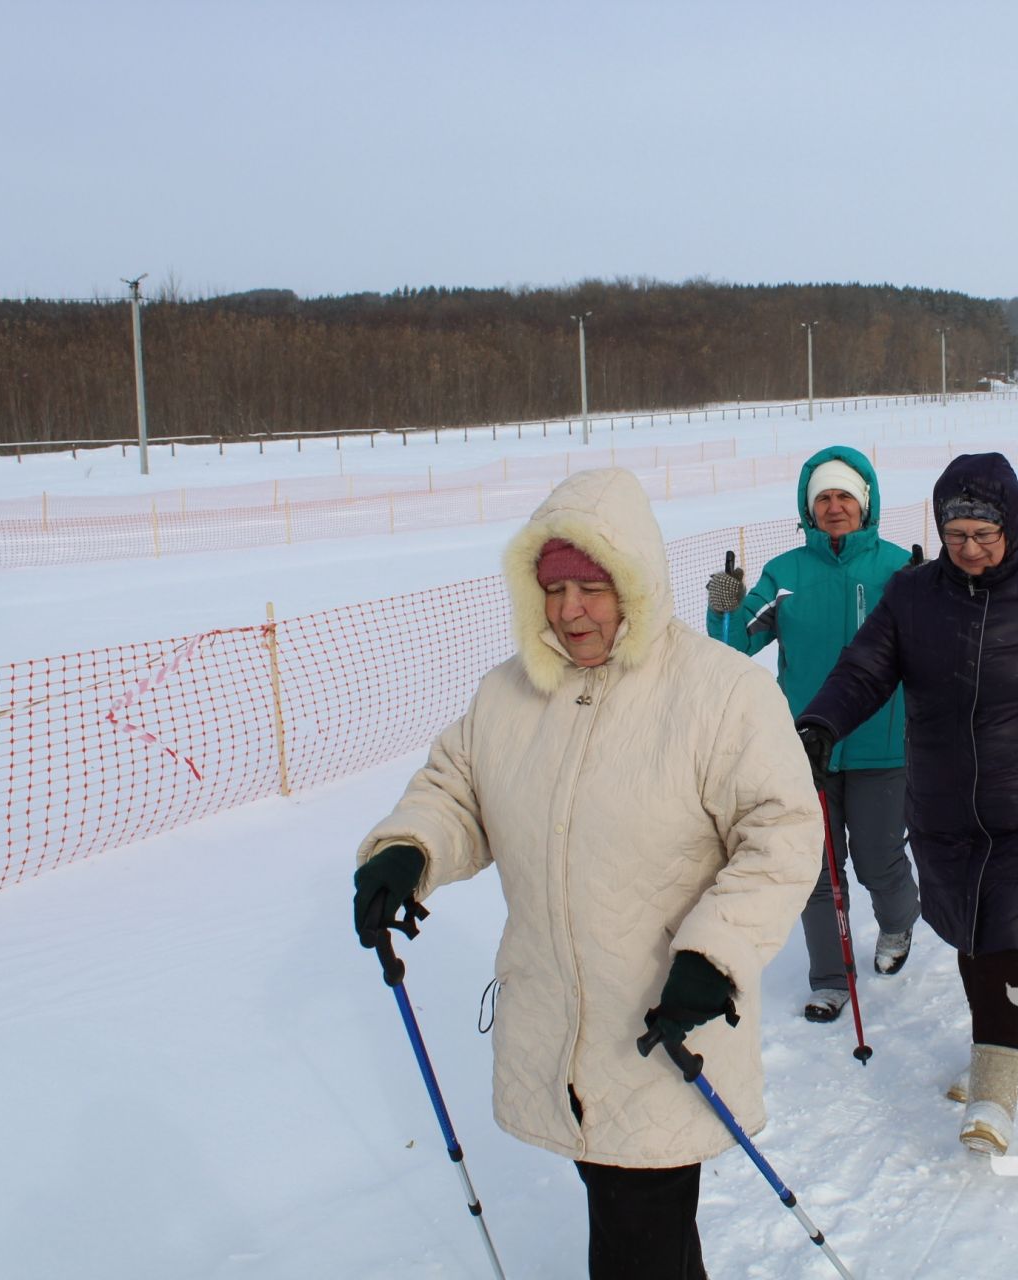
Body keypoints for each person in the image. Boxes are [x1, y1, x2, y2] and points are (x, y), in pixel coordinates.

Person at [350, 467, 821, 1279]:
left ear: (636, 582)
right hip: (560, 1031)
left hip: (664, 1027)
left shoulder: (719, 693)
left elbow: (781, 832)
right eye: (554, 588)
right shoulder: (510, 694)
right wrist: (409, 849)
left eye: (592, 588)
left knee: (637, 1238)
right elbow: (458, 790)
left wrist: (716, 953)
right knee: (642, 1229)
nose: (570, 611)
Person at [797, 453, 1018, 1157]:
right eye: (956, 535)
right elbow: (864, 670)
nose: (968, 550)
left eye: (983, 536)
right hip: (943, 801)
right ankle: (993, 1047)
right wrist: (821, 724)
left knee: (1009, 939)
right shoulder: (913, 595)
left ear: (1012, 527)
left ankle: (996, 1089)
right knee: (968, 934)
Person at [704, 446, 922, 1023]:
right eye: (822, 497)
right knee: (816, 871)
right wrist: (723, 606)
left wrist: (934, 592)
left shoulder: (899, 568)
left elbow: (935, 644)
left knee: (879, 862)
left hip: (881, 743)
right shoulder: (786, 574)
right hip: (804, 749)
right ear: (807, 507)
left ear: (865, 503)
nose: (833, 507)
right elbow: (733, 644)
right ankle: (830, 977)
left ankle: (899, 923)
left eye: (844, 496)